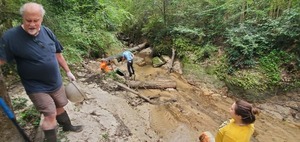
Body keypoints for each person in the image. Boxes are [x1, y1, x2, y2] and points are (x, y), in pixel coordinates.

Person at [0, 2, 82, 142]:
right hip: (36, 87)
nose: (32, 24)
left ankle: (67, 126)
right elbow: (1, 60)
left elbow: (58, 54)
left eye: (36, 20)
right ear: (23, 18)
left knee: (59, 105)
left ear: (41, 19)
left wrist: (68, 71)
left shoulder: (47, 32)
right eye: (28, 20)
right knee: (50, 115)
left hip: (55, 82)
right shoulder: (10, 37)